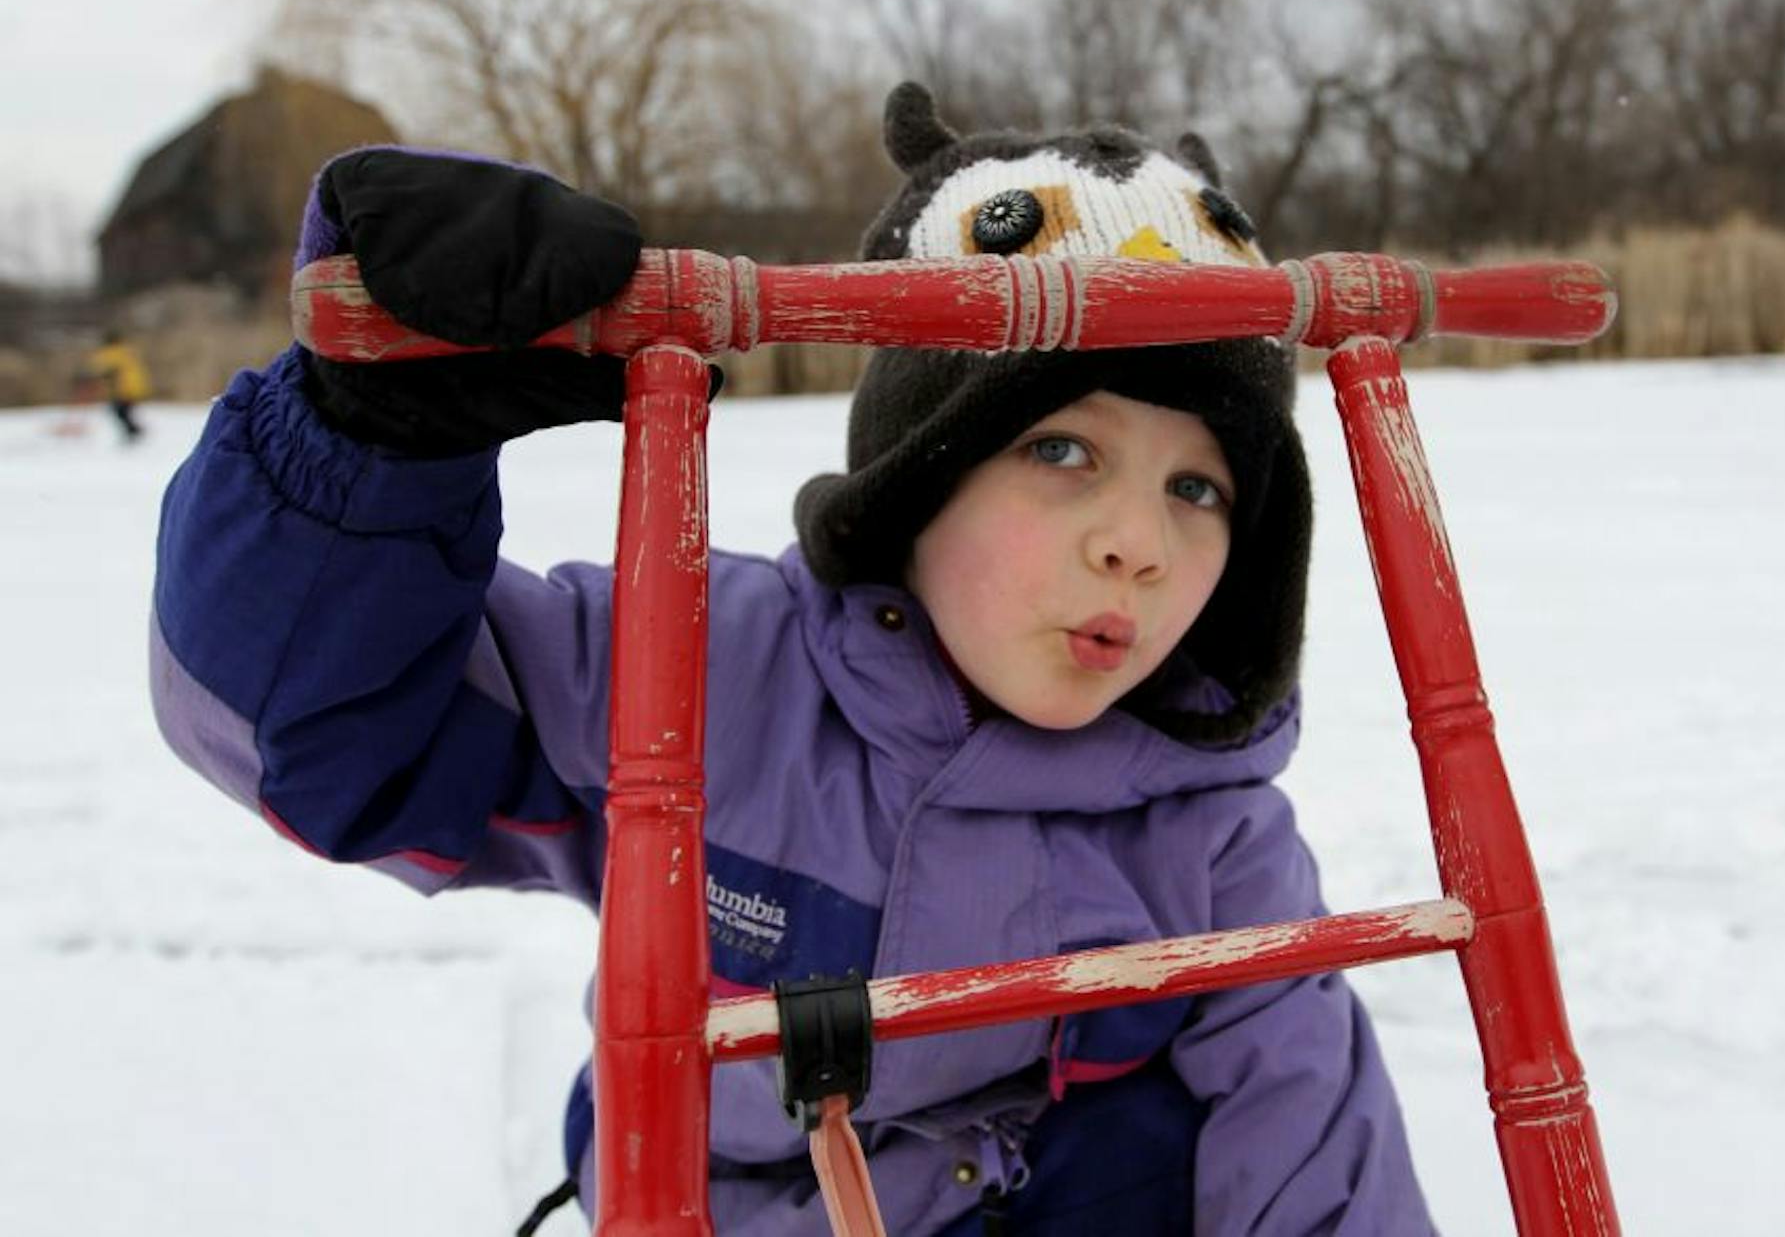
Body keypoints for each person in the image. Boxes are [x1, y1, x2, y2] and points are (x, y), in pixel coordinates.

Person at [149, 84, 1436, 1235]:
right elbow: (316, 741)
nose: (1140, 546)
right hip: (726, 1204)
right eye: (1063, 451)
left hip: (1044, 1201)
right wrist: (368, 446)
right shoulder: (711, 672)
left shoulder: (1203, 814)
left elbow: (1312, 1136)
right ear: (919, 473)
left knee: (1166, 1127)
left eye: (1200, 487)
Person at [81, 327, 149, 442]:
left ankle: (133, 433)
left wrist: (87, 374)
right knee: (122, 412)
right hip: (134, 387)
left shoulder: (110, 353)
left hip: (122, 389)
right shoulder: (126, 351)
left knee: (119, 411)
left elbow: (100, 368)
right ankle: (133, 432)